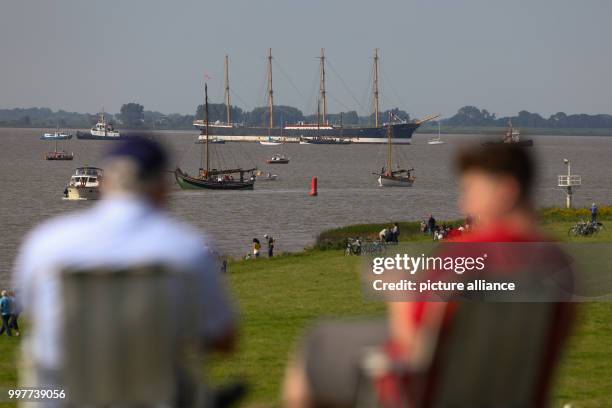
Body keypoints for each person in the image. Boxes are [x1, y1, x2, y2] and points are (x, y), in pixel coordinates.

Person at [283, 144, 575, 408]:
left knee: (317, 346)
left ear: (506, 191)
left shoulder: (467, 253)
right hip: (515, 394)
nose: (464, 205)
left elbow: (415, 340)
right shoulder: (558, 263)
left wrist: (396, 290)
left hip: (433, 391)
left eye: (471, 191)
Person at [13, 137, 237, 405]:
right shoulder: (188, 250)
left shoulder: (45, 244)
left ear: (105, 183)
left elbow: (28, 312)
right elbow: (224, 339)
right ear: (164, 188)